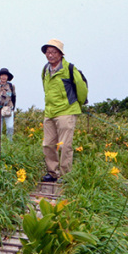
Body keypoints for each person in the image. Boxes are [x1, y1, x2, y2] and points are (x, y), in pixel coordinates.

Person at [40, 39, 88, 182]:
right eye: (48, 52)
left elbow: (81, 88)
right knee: (48, 144)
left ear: (61, 54)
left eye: (54, 52)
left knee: (65, 145)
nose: (50, 55)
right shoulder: (45, 70)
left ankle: (65, 175)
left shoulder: (70, 69)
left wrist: (75, 105)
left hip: (66, 111)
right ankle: (52, 172)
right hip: (50, 112)